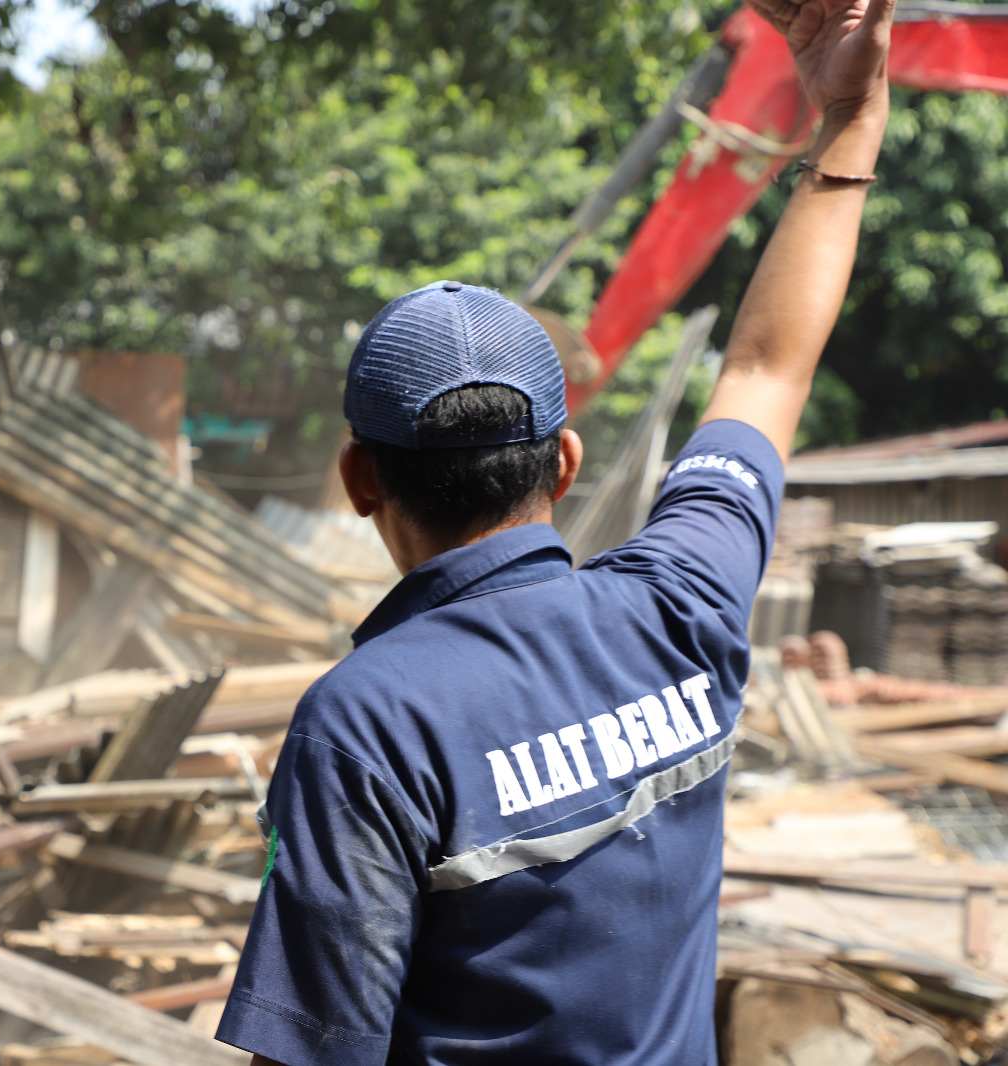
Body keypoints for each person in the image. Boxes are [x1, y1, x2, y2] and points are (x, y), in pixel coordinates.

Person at [213, 0, 893, 1061]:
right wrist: (849, 113)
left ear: (357, 478)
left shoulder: (367, 723)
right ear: (564, 464)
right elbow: (765, 371)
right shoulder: (678, 602)